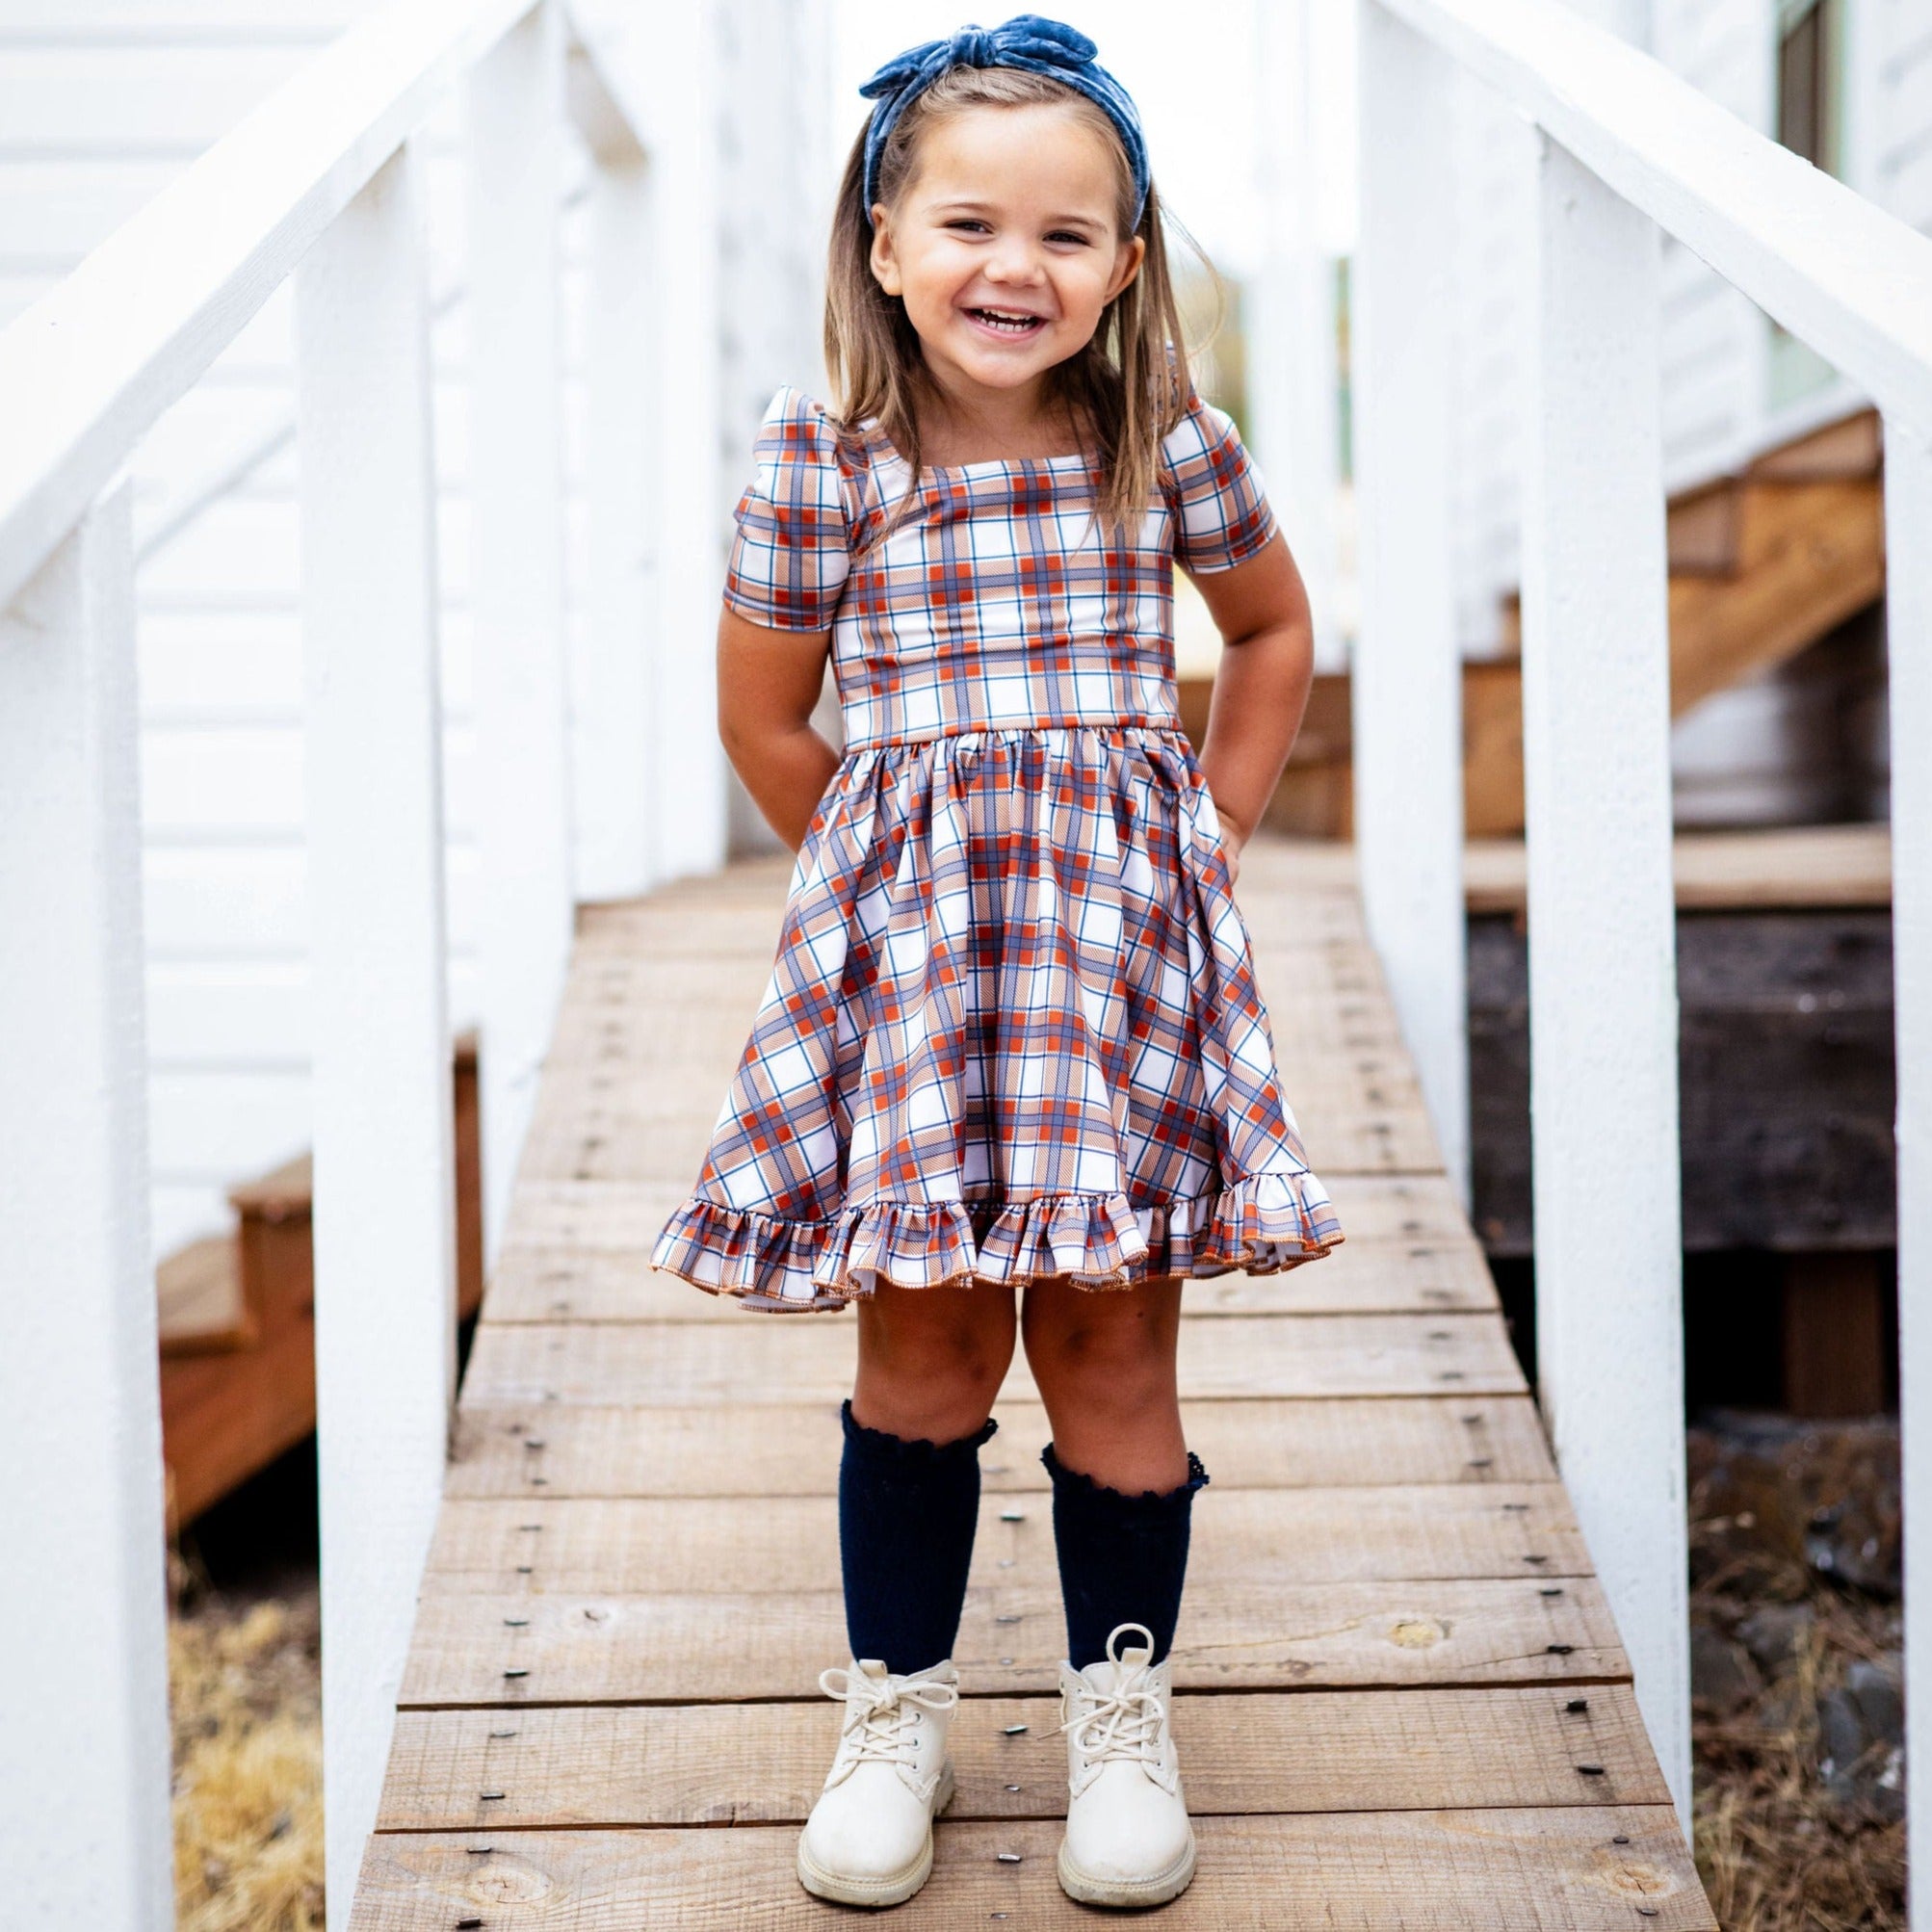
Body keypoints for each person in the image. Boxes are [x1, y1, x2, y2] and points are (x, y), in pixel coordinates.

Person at [651, 13, 1342, 1910]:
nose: (1010, 269)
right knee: (931, 1340)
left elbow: (1273, 633)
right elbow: (765, 715)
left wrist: (1200, 832)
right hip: (927, 983)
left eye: (1063, 233)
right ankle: (898, 1711)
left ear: (1125, 261)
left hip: (1111, 974)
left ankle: (1122, 1719)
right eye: (966, 223)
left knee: (1112, 1342)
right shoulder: (828, 459)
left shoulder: (1158, 440)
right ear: (882, 237)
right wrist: (885, 898)